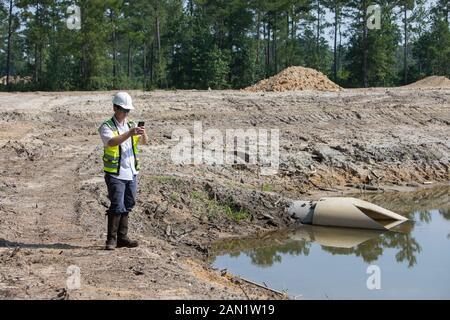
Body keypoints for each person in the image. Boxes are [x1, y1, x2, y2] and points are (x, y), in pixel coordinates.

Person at [98, 92, 148, 250]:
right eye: (124, 110)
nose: (126, 113)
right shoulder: (107, 126)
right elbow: (111, 142)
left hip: (131, 172)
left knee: (128, 204)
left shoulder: (131, 125)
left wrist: (142, 132)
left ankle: (122, 238)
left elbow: (145, 142)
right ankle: (111, 240)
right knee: (117, 205)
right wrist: (130, 133)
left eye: (128, 111)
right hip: (115, 174)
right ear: (115, 107)